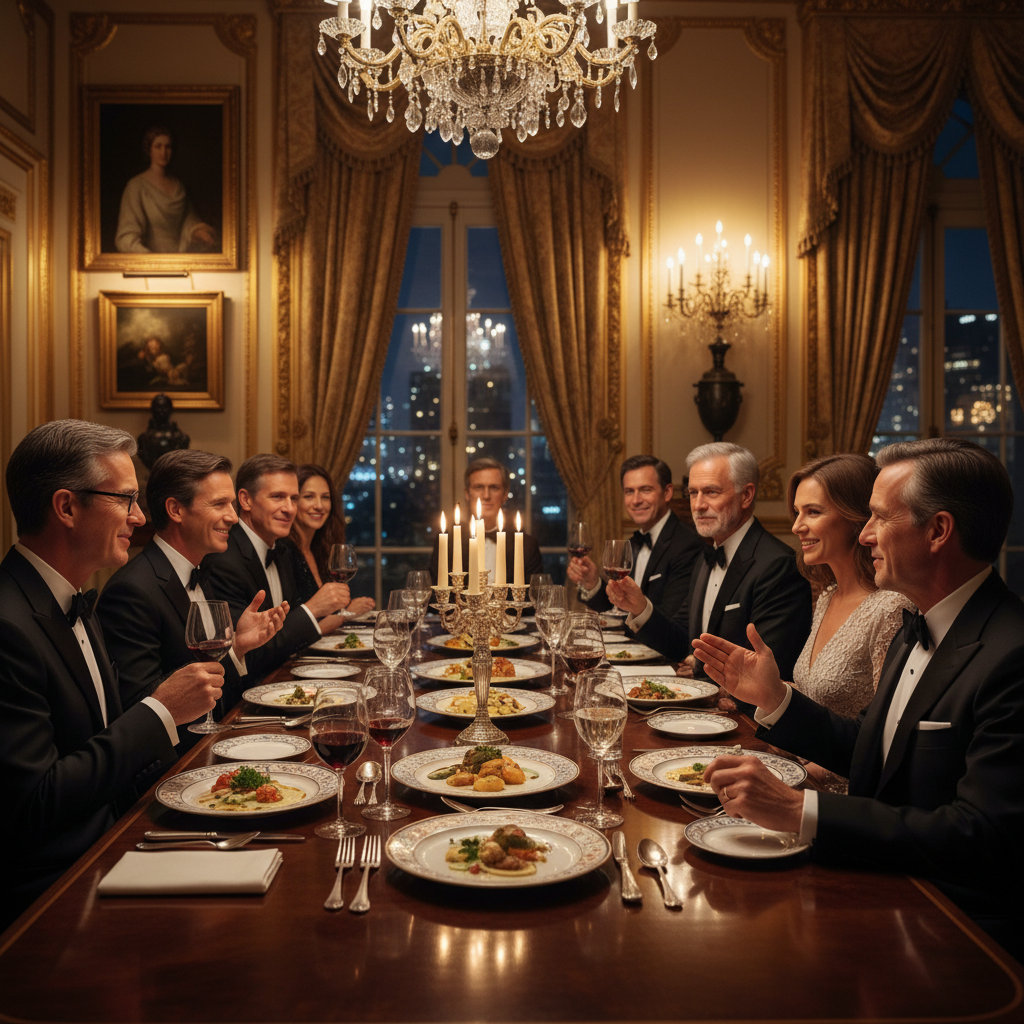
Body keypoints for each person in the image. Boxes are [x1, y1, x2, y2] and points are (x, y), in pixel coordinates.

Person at [694, 438, 1024, 962]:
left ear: (938, 531)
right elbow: (869, 752)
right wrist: (775, 699)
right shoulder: (916, 624)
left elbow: (980, 836)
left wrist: (801, 809)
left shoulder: (1011, 654)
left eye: (878, 518)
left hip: (952, 926)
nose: (864, 534)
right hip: (874, 873)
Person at [0, 420, 224, 927]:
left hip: (115, 839)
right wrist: (161, 710)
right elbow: (33, 808)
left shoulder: (75, 599)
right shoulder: (8, 624)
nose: (140, 517)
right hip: (52, 896)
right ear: (67, 507)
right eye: (126, 499)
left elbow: (100, 746)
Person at [98, 450, 286, 735]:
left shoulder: (199, 571)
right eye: (220, 504)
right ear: (176, 510)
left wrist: (237, 646)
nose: (234, 517)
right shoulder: (131, 590)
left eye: (232, 504)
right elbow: (139, 711)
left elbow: (209, 685)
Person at [607, 442, 811, 684]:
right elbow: (682, 642)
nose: (698, 505)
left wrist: (701, 675)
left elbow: (768, 674)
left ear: (746, 495)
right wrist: (640, 608)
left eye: (711, 492)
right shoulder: (706, 556)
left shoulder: (778, 566)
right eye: (693, 493)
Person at [785, 453, 912, 792]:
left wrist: (815, 774)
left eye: (813, 512)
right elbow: (820, 697)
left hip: (846, 800)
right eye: (797, 512)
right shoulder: (827, 595)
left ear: (857, 518)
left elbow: (887, 734)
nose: (797, 526)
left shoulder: (890, 607)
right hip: (800, 776)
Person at [204, 454, 355, 680]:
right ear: (245, 500)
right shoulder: (224, 560)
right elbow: (248, 655)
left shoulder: (283, 550)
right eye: (277, 497)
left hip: (285, 678)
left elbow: (285, 637)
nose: (289, 509)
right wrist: (312, 609)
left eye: (293, 499)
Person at [567, 454, 702, 626]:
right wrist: (592, 582)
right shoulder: (631, 544)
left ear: (667, 493)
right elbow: (617, 609)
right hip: (627, 649)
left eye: (645, 490)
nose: (636, 500)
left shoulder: (687, 545)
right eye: (629, 491)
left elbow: (672, 623)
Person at [428, 457, 544, 585]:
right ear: (467, 493)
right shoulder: (447, 544)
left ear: (505, 494)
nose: (486, 496)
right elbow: (436, 599)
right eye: (479, 487)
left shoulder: (527, 546)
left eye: (494, 488)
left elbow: (535, 599)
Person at [284, 463, 375, 615]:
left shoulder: (321, 548)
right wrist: (347, 613)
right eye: (309, 497)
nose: (319, 506)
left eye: (325, 497)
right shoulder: (284, 551)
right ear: (293, 501)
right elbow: (294, 623)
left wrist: (345, 609)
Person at [115, 125, 217, 254]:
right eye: (158, 147)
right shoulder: (136, 187)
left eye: (168, 147)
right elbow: (126, 237)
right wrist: (152, 260)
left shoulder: (179, 186)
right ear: (149, 150)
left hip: (178, 260)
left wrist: (196, 231)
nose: (164, 152)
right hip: (149, 261)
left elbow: (189, 221)